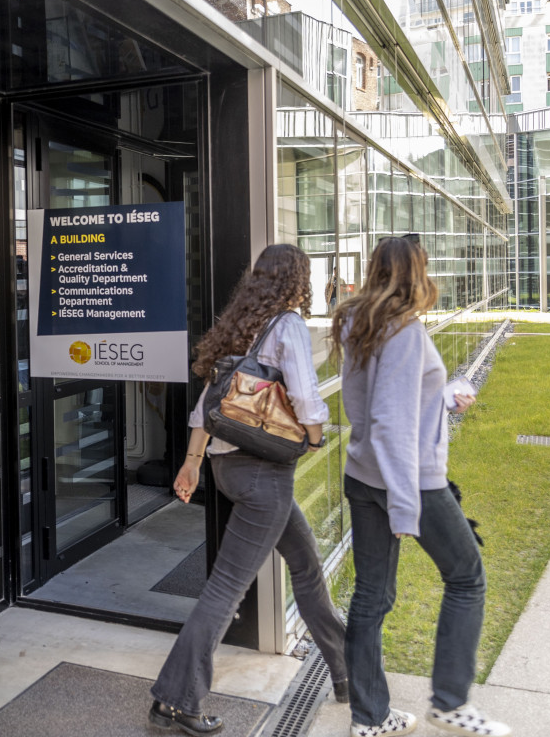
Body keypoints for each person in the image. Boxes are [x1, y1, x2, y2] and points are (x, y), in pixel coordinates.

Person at [149, 244, 348, 736]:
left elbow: (205, 409)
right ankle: (174, 701)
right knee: (224, 589)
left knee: (305, 566)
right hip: (264, 474)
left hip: (228, 468)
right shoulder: (287, 327)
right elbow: (304, 394)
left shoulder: (238, 328)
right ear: (297, 281)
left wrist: (192, 463)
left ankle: (347, 670)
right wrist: (315, 436)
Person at [332, 236, 510, 737]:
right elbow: (390, 421)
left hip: (363, 475)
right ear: (416, 272)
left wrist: (446, 396)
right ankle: (450, 702)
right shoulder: (403, 331)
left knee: (371, 596)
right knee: (467, 576)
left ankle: (369, 719)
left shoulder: (359, 325)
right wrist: (405, 507)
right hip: (406, 480)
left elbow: (387, 404)